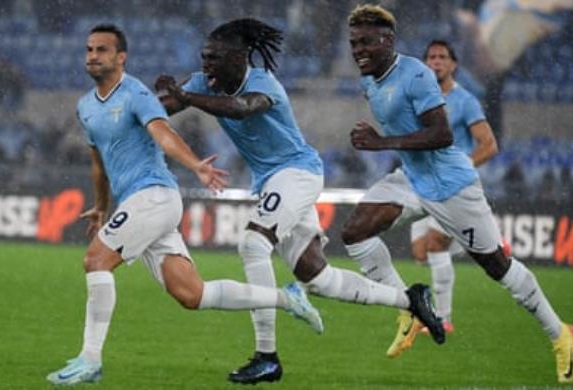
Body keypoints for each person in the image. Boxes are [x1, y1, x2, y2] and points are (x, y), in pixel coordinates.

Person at [156, 18, 445, 385]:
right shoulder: (203, 84)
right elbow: (160, 107)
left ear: (241, 57)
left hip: (297, 173)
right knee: (317, 278)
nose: (206, 65)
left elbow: (242, 107)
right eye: (203, 57)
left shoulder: (263, 83)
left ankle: (267, 356)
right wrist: (147, 100)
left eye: (215, 58)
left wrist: (185, 98)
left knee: (252, 243)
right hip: (274, 182)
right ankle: (411, 299)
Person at [46, 24, 326, 387]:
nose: (92, 56)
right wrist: (100, 207)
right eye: (88, 50)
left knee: (95, 259)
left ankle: (89, 359)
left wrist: (195, 165)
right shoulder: (86, 108)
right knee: (192, 294)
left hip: (155, 195)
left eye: (101, 50)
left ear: (121, 57)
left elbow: (164, 133)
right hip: (135, 201)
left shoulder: (137, 94)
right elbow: (99, 162)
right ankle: (287, 299)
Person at [343, 5, 573, 383]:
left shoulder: (417, 74)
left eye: (366, 42)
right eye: (354, 42)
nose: (357, 50)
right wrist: (386, 144)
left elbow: (442, 134)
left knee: (497, 268)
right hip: (412, 180)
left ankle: (560, 334)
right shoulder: (370, 80)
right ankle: (408, 306)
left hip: (452, 185)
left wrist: (381, 141)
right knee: (354, 231)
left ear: (387, 40)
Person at [409, 39, 499, 334]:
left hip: (453, 188)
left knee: (435, 243)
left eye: (442, 57)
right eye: (431, 56)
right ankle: (483, 239)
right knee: (422, 252)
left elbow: (489, 145)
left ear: (453, 64)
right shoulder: (419, 99)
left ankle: (442, 318)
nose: (436, 61)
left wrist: (462, 168)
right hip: (424, 184)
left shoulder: (465, 101)